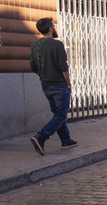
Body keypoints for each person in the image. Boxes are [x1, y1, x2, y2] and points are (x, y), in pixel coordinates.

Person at [29, 17, 76, 155]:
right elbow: (63, 65)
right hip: (59, 85)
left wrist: (42, 75)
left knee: (58, 114)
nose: (54, 27)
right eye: (53, 26)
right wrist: (68, 83)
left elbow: (33, 65)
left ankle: (66, 140)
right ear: (50, 29)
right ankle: (41, 137)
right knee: (61, 115)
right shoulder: (57, 45)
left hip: (46, 85)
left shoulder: (35, 45)